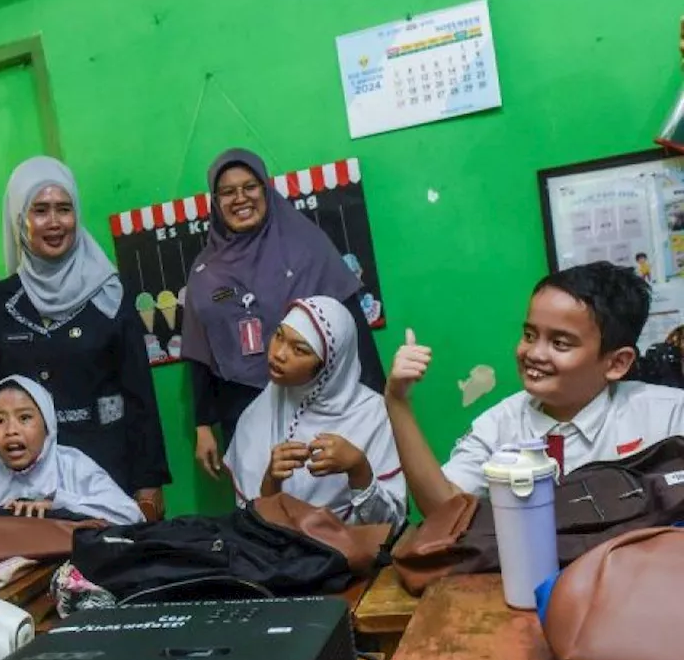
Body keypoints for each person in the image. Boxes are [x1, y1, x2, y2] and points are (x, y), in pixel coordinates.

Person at [387, 261, 684, 517]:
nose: (534, 353)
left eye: (560, 343)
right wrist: (398, 402)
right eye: (529, 335)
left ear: (617, 363)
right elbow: (444, 511)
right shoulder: (499, 427)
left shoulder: (669, 416)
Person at [0, 156, 170, 516]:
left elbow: (139, 393)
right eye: (40, 210)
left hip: (109, 471)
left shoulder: (110, 293)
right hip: (27, 482)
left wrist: (148, 482)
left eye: (64, 209)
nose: (54, 222)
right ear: (19, 218)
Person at [182, 148, 385, 481]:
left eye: (250, 186)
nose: (240, 198)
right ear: (215, 202)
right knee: (262, 507)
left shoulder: (309, 246)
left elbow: (352, 332)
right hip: (243, 408)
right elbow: (201, 352)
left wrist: (376, 403)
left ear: (266, 189)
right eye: (228, 192)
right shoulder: (206, 270)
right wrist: (203, 425)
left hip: (319, 402)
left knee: (322, 498)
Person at [224, 296, 405, 527]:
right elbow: (250, 524)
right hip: (277, 556)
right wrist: (271, 480)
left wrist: (359, 469)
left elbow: (391, 524)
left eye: (299, 350)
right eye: (279, 336)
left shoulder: (371, 414)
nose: (278, 353)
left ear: (329, 366)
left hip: (348, 557)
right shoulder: (263, 409)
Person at [0, 375, 144, 543]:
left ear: (48, 424)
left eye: (25, 418)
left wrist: (58, 504)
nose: (11, 430)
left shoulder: (73, 465)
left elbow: (133, 516)